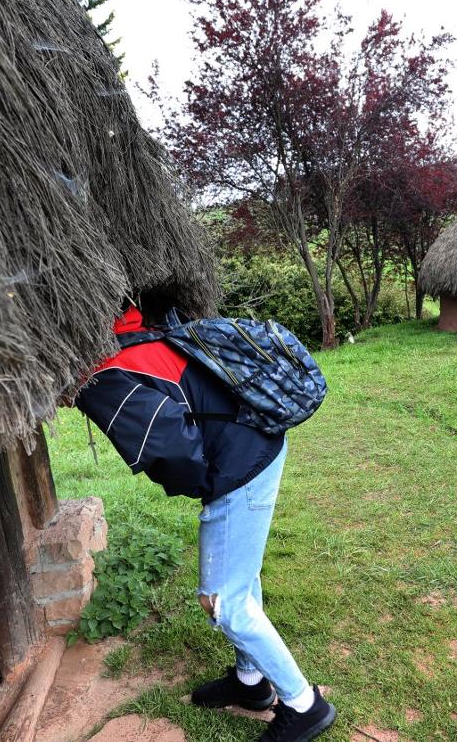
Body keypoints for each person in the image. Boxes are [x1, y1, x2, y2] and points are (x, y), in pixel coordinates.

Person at [76, 305, 336, 742]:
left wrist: (210, 485)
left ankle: (304, 705)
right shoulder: (138, 336)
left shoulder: (102, 375)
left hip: (241, 461)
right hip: (257, 439)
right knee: (242, 582)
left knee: (223, 602)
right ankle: (250, 683)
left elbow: (170, 449)